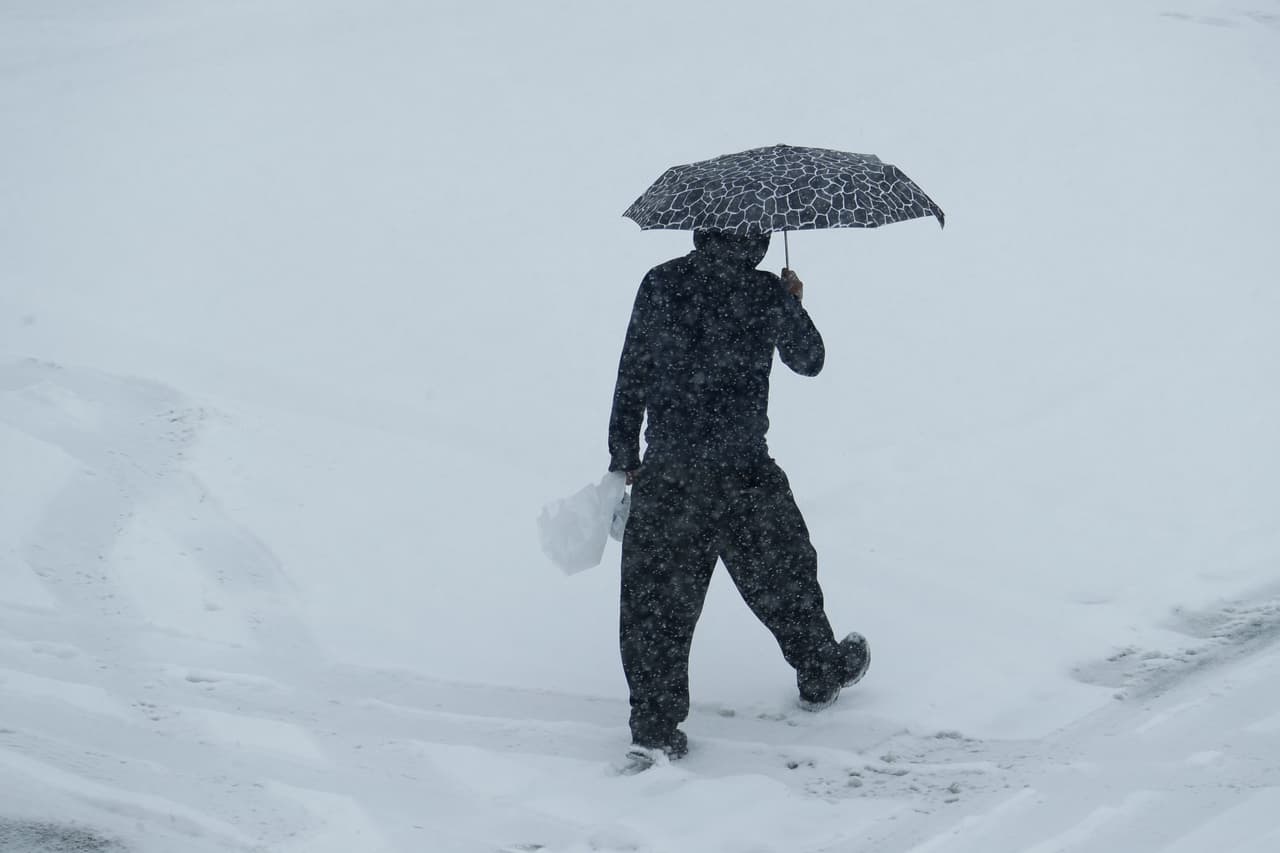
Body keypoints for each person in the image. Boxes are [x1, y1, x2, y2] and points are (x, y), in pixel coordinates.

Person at [607, 229, 870, 763]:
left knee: (657, 604)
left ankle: (655, 727)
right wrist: (792, 304)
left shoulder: (661, 283)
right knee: (784, 574)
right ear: (756, 243)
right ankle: (820, 671)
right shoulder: (763, 293)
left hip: (672, 472)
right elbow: (810, 360)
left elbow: (632, 369)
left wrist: (623, 452)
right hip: (742, 469)